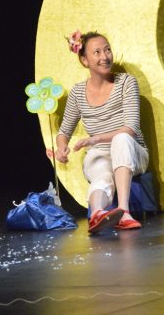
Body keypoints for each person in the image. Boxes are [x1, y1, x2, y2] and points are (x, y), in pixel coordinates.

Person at [55, 31, 149, 233]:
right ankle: (97, 214)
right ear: (85, 60)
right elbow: (64, 132)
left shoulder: (126, 82)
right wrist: (61, 148)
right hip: (100, 153)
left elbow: (131, 128)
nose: (105, 57)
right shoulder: (78, 93)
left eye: (107, 50)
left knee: (121, 138)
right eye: (97, 52)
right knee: (101, 175)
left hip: (132, 152)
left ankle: (123, 211)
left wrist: (95, 139)